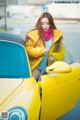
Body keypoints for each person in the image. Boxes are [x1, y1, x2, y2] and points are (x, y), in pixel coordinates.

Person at [25, 12, 64, 80]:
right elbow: (28, 51)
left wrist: (53, 57)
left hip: (49, 70)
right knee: (31, 86)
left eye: (47, 23)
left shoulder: (57, 36)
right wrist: (41, 51)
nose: (45, 26)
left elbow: (61, 53)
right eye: (43, 23)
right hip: (36, 68)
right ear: (39, 23)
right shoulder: (33, 34)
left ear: (51, 23)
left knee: (47, 90)